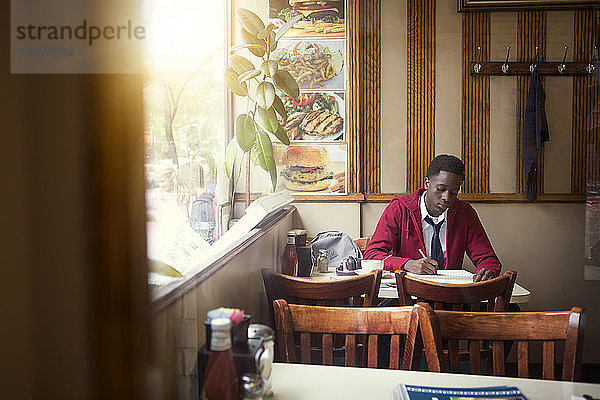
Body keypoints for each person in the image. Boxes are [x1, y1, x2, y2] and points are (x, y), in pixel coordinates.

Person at [363, 154, 500, 282]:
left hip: (450, 295)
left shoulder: (465, 213)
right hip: (408, 295)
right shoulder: (399, 209)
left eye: (453, 192)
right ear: (427, 184)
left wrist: (488, 270)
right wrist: (406, 264)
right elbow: (372, 255)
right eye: (440, 189)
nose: (447, 198)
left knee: (513, 307)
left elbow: (487, 258)